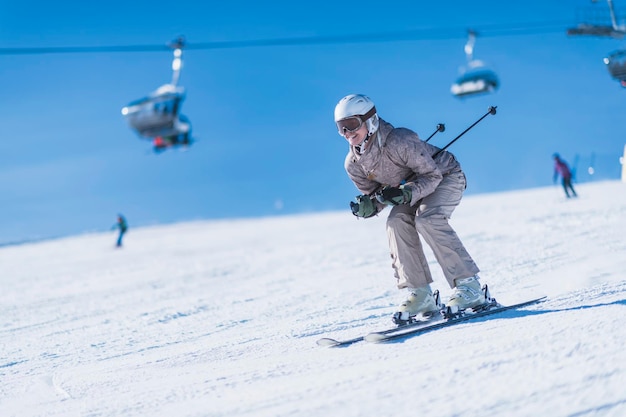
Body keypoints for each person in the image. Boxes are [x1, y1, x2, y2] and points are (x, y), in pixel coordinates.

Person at [335, 94, 490, 325]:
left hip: (445, 176)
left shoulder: (400, 140)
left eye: (352, 124)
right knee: (395, 222)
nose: (348, 133)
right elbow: (378, 196)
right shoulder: (354, 164)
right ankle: (421, 293)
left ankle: (470, 287)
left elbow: (432, 175)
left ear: (371, 120)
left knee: (427, 218)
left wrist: (406, 193)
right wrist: (369, 206)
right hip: (410, 190)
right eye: (341, 128)